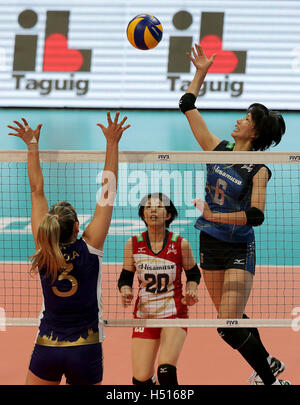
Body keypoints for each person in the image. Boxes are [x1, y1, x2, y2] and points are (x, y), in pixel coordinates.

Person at [178, 43, 290, 385]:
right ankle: (268, 360)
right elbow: (187, 105)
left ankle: (270, 380)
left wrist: (216, 215)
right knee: (231, 322)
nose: (239, 120)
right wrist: (201, 73)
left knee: (226, 324)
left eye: (246, 118)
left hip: (239, 247)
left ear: (253, 132)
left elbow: (255, 215)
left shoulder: (258, 167)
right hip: (210, 243)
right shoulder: (218, 148)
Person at [7, 112, 130, 385]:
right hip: (85, 347)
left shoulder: (43, 247)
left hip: (47, 345)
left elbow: (36, 189)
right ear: (77, 226)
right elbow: (108, 191)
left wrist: (32, 144)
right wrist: (112, 143)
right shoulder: (91, 247)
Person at [118, 192, 201, 385]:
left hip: (174, 313)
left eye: (158, 207)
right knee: (140, 379)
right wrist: (125, 291)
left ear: (168, 215)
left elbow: (194, 274)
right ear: (143, 214)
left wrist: (192, 290)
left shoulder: (180, 244)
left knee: (165, 370)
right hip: (144, 314)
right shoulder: (133, 243)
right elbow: (125, 278)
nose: (152, 210)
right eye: (147, 207)